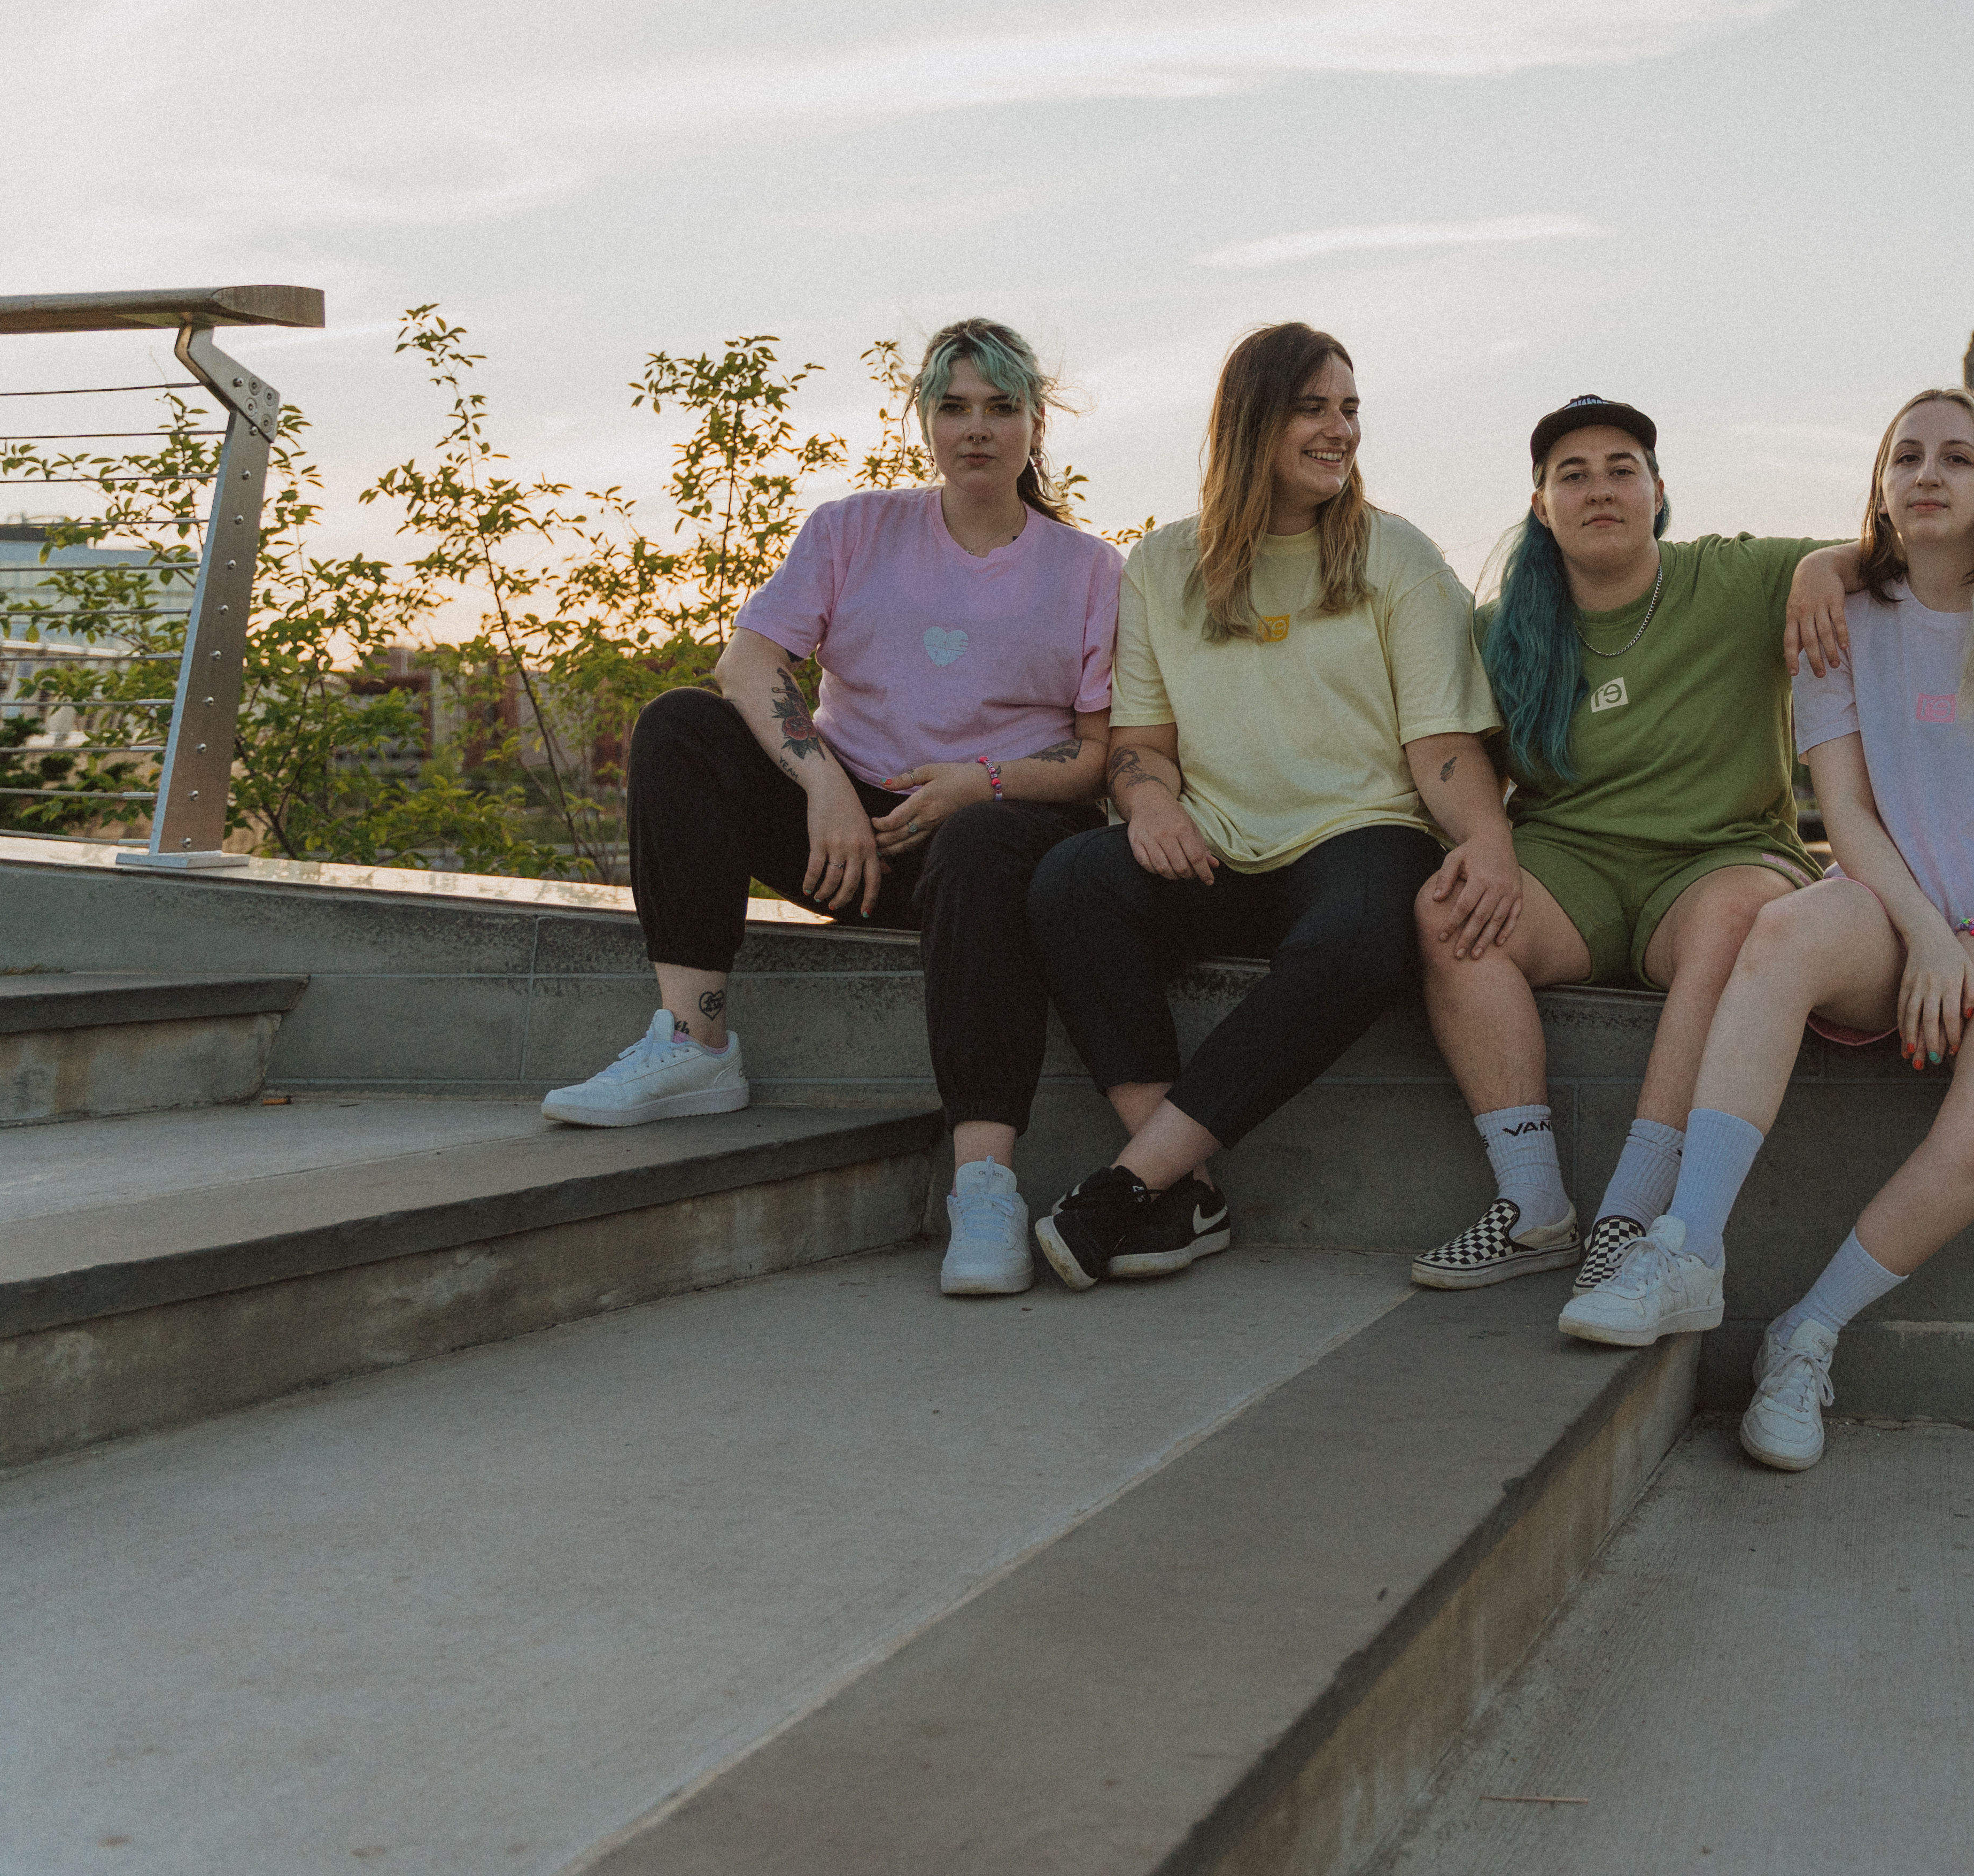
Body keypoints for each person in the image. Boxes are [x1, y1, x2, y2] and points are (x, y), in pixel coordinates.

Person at [1558, 385, 1974, 1477]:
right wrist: (1921, 932)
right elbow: (1846, 812)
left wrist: (1970, 946)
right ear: (1879, 484)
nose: (1927, 473)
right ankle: (1686, 1248)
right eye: (1905, 455)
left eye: (1956, 458)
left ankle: (1806, 1333)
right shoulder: (1841, 619)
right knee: (1778, 932)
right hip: (1892, 910)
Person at [541, 318, 1120, 1299]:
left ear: (1035, 425)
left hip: (997, 832)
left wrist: (978, 782)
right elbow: (749, 661)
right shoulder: (855, 529)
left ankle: (984, 1185)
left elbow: (1100, 754)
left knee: (980, 842)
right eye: (953, 406)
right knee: (681, 725)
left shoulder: (1090, 570)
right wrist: (824, 785)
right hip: (848, 836)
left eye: (1001, 407)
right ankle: (695, 1044)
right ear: (924, 421)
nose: (975, 428)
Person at [1025, 322, 1512, 1289]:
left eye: (1351, 409)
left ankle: (1129, 1186)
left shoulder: (1396, 556)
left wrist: (1489, 840)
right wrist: (1152, 806)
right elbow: (1137, 750)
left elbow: (1443, 747)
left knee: (1367, 934)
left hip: (1359, 834)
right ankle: (1186, 1190)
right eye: (1314, 408)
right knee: (1072, 881)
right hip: (1217, 841)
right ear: (1252, 422)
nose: (1340, 430)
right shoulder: (1164, 566)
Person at [1407, 393, 1849, 1293]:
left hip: (1719, 856)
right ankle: (1534, 1208)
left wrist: (1827, 565)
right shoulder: (1506, 631)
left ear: (1658, 491)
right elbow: (1448, 750)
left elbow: (1896, 554)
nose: (1599, 490)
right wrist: (1481, 840)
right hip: (1572, 866)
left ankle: (1630, 1215)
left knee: (1739, 921)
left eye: (1622, 470)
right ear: (1542, 506)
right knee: (1449, 911)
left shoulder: (1734, 576)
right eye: (1572, 475)